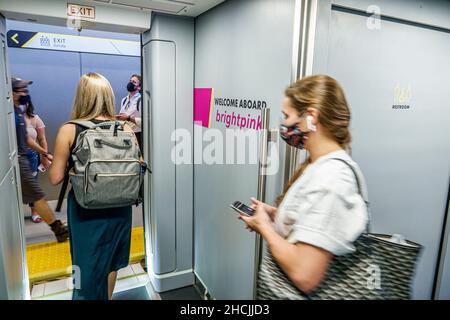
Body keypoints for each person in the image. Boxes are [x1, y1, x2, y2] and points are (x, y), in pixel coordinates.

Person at [239, 75, 369, 296]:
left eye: (287, 116)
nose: (284, 124)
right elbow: (312, 222)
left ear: (311, 117)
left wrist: (266, 229)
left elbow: (305, 275)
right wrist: (274, 215)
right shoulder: (319, 165)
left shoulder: (332, 178)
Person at [49, 72, 138, 300]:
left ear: (82, 97)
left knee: (85, 265)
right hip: (120, 207)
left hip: (86, 211)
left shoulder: (69, 129)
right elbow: (139, 165)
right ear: (108, 96)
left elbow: (55, 178)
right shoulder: (125, 129)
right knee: (111, 263)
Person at [11, 77, 68, 241]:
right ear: (11, 93)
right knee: (37, 196)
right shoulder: (8, 113)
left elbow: (27, 139)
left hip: (25, 159)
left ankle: (58, 229)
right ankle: (59, 231)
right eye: (21, 90)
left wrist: (45, 153)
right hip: (18, 161)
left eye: (26, 90)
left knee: (36, 195)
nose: (25, 93)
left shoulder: (19, 111)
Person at [23, 97, 49, 223]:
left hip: (31, 156)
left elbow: (42, 139)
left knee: (32, 185)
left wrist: (45, 157)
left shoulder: (34, 118)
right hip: (14, 156)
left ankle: (35, 211)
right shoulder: (10, 118)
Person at [117, 74, 142, 150]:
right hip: (125, 133)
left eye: (134, 82)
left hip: (137, 135)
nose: (130, 83)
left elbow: (145, 122)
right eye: (130, 81)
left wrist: (128, 118)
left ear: (139, 87)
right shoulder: (124, 100)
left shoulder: (141, 100)